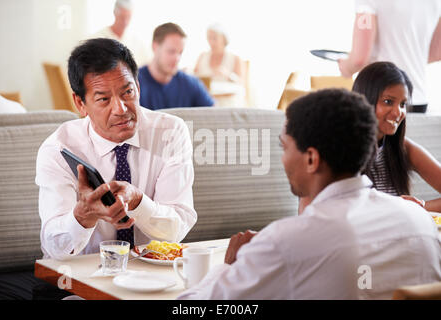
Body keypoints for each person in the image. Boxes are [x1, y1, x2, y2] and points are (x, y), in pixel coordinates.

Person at [178, 89, 441, 300]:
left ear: (312, 158)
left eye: (285, 147)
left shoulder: (286, 242)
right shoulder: (420, 222)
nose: (282, 159)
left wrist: (231, 267)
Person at [35, 38, 197, 261]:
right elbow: (54, 248)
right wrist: (84, 216)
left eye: (127, 93)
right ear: (80, 104)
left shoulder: (171, 132)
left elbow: (177, 230)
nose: (120, 109)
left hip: (150, 275)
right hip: (81, 279)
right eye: (103, 99)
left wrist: (139, 202)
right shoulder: (58, 149)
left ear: (138, 88)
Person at [353, 61, 441, 213]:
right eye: (388, 102)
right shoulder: (340, 150)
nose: (398, 112)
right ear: (364, 100)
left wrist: (419, 207)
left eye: (402, 104)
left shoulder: (403, 148)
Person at [337, 0, 441, 113]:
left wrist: (346, 67)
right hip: (417, 98)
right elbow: (436, 53)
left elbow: (359, 60)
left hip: (378, 97)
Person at [137, 22, 214, 110]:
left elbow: (214, 116)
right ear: (155, 47)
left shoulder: (190, 83)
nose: (177, 58)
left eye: (180, 52)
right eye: (171, 51)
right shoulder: (133, 84)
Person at [194, 23, 246, 107]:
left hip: (228, 101)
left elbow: (242, 83)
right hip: (206, 98)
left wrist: (228, 75)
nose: (211, 41)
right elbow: (194, 76)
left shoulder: (235, 58)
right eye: (209, 38)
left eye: (214, 38)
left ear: (223, 38)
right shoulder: (202, 56)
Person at [90, 0, 151, 67]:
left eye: (128, 17)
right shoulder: (97, 38)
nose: (125, 22)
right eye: (122, 17)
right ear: (115, 14)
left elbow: (145, 66)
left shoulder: (138, 42)